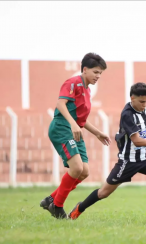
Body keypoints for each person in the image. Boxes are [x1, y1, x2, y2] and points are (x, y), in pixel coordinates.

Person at [68, 82, 146, 221]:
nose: (145, 104)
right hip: (129, 161)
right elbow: (137, 141)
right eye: (141, 101)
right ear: (132, 98)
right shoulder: (127, 115)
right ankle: (79, 208)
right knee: (103, 193)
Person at [40, 53, 111, 219]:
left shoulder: (87, 90)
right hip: (61, 128)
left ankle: (51, 199)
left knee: (84, 171)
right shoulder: (72, 83)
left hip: (74, 130)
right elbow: (60, 104)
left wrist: (97, 133)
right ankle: (57, 206)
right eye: (95, 72)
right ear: (84, 69)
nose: (98, 76)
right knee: (77, 168)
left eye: (100, 73)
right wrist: (73, 124)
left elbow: (81, 120)